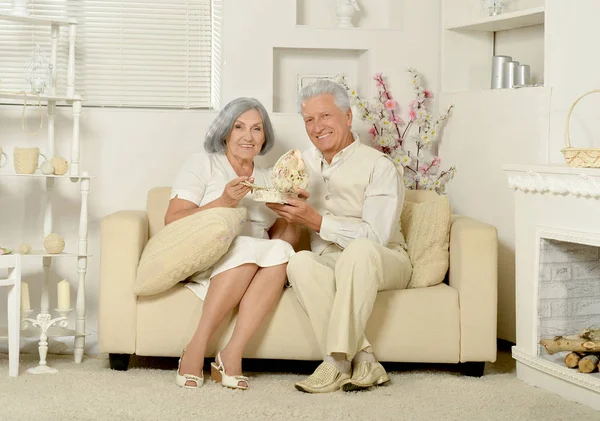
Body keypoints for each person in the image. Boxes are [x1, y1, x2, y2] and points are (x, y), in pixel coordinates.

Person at [267, 80, 413, 393]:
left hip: (384, 259)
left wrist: (316, 221)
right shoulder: (302, 164)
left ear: (347, 117)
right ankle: (363, 359)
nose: (317, 126)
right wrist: (282, 204)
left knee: (359, 251)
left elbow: (375, 238)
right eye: (309, 119)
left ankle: (334, 360)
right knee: (301, 263)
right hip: (331, 260)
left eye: (325, 116)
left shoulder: (379, 166)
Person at [165, 97, 300, 390]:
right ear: (226, 131)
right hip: (208, 259)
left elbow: (280, 245)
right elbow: (172, 221)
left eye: (256, 129)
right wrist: (224, 202)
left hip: (251, 268)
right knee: (246, 247)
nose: (248, 136)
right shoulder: (204, 164)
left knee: (281, 251)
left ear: (265, 137)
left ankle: (231, 353)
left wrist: (293, 216)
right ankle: (196, 347)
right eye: (239, 127)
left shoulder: (269, 178)